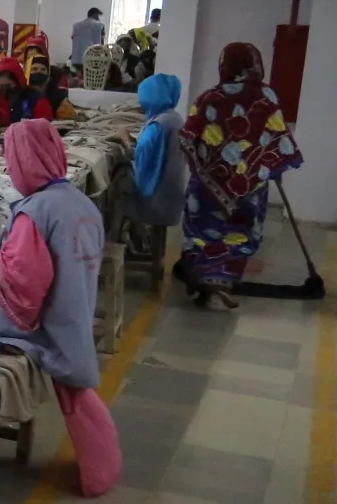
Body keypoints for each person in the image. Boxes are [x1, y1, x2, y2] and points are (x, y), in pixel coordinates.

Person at [0, 120, 122, 495]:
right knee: (77, 392)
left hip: (45, 325)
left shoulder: (36, 212)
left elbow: (21, 290)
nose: (9, 168)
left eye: (12, 160)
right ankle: (100, 467)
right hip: (74, 312)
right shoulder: (79, 202)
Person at [179, 43, 303, 309]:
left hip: (207, 186)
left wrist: (203, 162)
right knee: (238, 233)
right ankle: (225, 279)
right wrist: (273, 167)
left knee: (202, 230)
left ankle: (205, 278)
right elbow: (277, 137)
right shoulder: (266, 96)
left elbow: (188, 136)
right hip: (249, 186)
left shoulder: (209, 97)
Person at [126, 73, 187, 231]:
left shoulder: (156, 126)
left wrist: (125, 139)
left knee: (118, 190)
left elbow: (140, 155)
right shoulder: (176, 118)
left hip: (156, 197)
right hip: (173, 192)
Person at [0, 56, 51, 134]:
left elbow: (44, 128)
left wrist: (14, 130)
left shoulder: (36, 99)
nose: (5, 90)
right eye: (1, 86)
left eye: (8, 85)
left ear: (18, 82)